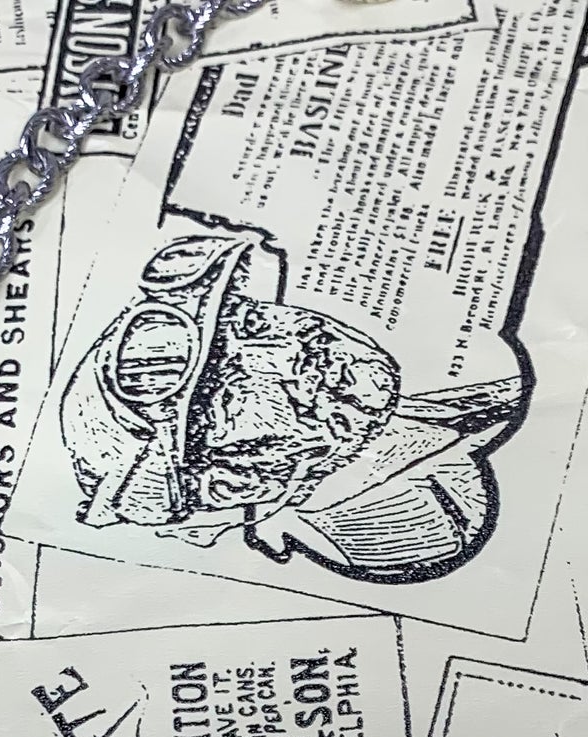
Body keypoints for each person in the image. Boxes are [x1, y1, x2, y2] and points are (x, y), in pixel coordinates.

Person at [59, 231, 523, 581]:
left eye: (250, 322)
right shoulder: (401, 522)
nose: (289, 349)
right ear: (234, 484)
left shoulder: (456, 394)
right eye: (231, 389)